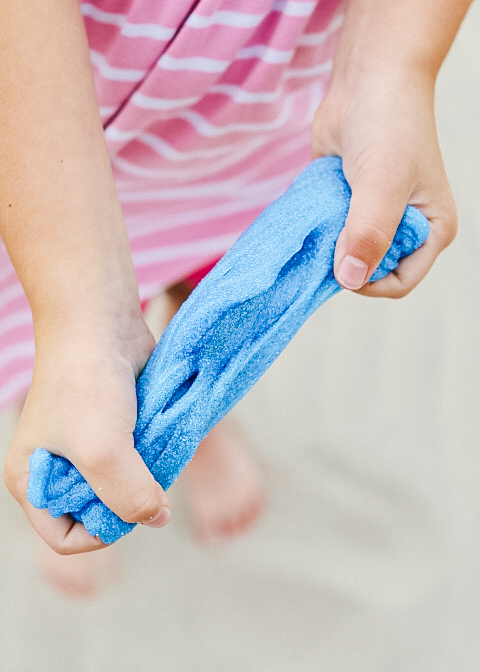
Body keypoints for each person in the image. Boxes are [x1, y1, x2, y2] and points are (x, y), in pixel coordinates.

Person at [0, 0, 469, 595]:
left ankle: (190, 407)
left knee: (224, 283)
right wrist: (80, 318)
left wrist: (385, 70)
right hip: (40, 122)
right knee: (58, 315)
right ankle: (79, 393)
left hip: (245, 118)